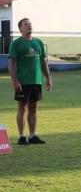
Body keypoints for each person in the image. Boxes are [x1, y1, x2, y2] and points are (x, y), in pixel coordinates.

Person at [8, 18, 53, 146]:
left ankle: (32, 136)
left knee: (33, 109)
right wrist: (15, 81)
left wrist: (48, 78)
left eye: (30, 24)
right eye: (26, 24)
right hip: (23, 82)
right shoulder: (16, 44)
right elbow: (11, 63)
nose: (29, 26)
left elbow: (43, 62)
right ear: (20, 29)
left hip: (36, 81)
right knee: (22, 108)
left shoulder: (38, 42)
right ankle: (21, 137)